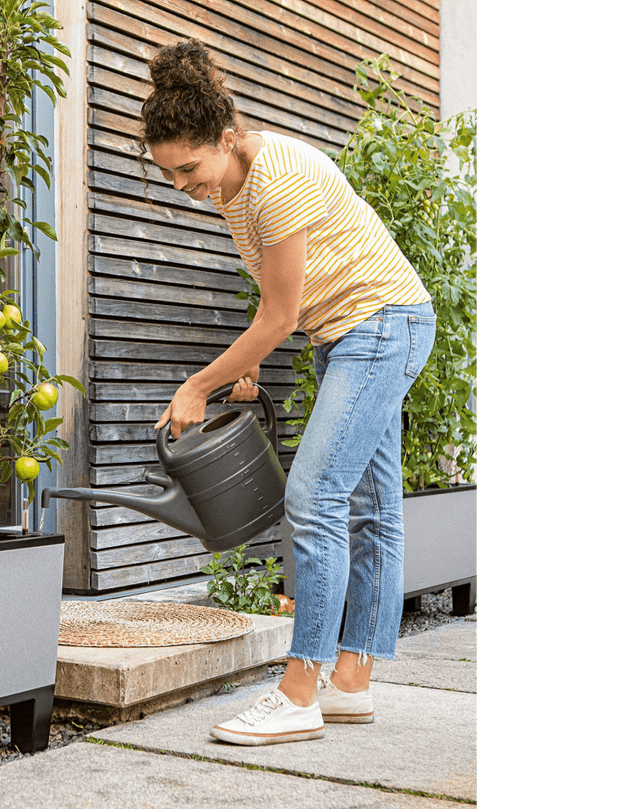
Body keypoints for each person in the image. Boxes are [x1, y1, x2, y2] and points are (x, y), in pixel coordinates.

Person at [141, 40, 437, 745]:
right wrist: (253, 361)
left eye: (188, 168)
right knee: (372, 507)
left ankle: (300, 688)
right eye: (169, 173)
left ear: (226, 137)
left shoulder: (278, 176)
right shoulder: (232, 182)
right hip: (352, 332)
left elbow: (275, 316)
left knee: (314, 495)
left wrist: (199, 384)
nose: (183, 185)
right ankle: (352, 685)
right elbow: (283, 300)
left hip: (381, 325)